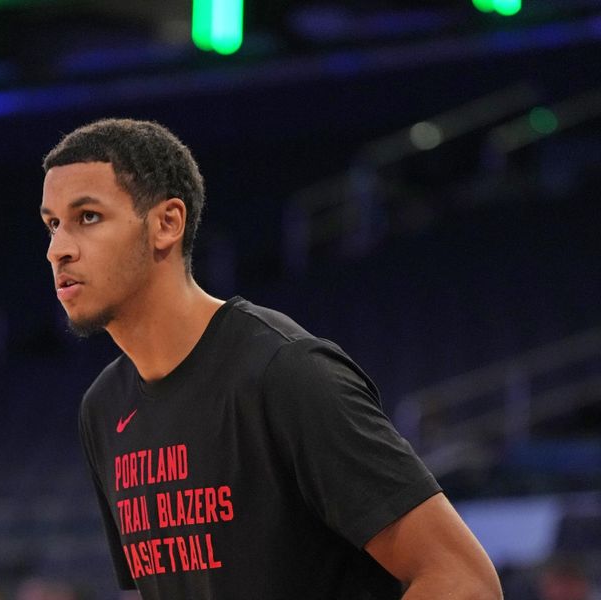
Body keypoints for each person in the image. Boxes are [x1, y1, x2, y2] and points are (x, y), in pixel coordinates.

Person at [40, 118, 502, 599]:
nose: (58, 250)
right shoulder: (103, 409)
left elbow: (463, 579)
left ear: (166, 224)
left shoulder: (285, 373)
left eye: (87, 217)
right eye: (52, 224)